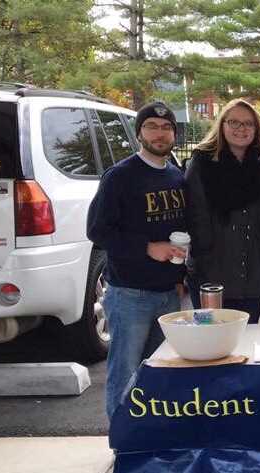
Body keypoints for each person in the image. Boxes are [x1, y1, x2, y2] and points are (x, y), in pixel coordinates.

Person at [87, 102, 187, 419]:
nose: (160, 133)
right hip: (130, 294)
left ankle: (150, 436)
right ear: (139, 133)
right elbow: (97, 230)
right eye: (151, 126)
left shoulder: (176, 176)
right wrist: (147, 247)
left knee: (159, 373)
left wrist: (180, 276)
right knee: (124, 374)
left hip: (169, 294)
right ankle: (121, 439)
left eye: (166, 127)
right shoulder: (120, 176)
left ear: (174, 134)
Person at [184, 98, 260, 323]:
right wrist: (202, 254)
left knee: (245, 338)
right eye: (234, 122)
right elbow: (194, 215)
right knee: (210, 339)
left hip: (253, 274)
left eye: (248, 123)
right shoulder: (202, 163)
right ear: (222, 125)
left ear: (256, 129)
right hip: (211, 274)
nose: (241, 129)